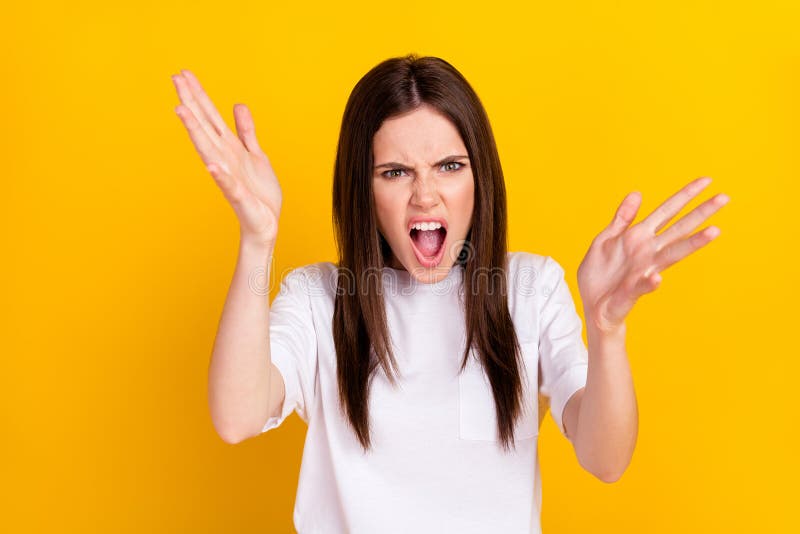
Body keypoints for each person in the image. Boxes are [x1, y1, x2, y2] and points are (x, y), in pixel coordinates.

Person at [171, 54, 729, 533]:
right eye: (394, 172)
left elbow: (605, 458)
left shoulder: (529, 288)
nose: (426, 195)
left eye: (449, 166)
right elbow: (237, 416)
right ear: (361, 189)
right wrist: (257, 239)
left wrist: (607, 330)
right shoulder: (320, 298)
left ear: (479, 177)